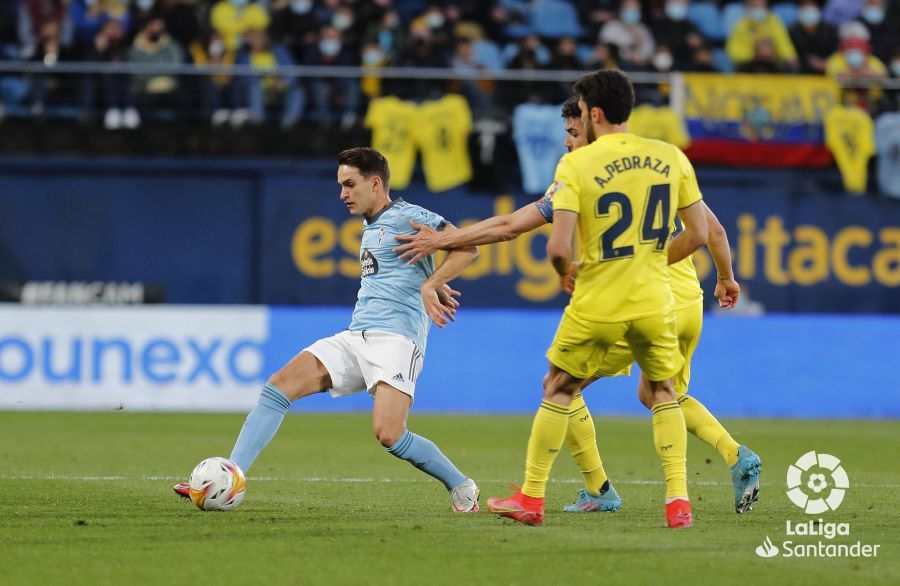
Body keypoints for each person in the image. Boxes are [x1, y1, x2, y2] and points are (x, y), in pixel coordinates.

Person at [395, 96, 762, 517]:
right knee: (663, 392)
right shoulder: (655, 163)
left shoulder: (579, 174)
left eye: (572, 133)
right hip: (685, 301)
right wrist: (726, 277)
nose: (568, 144)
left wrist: (442, 239)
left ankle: (595, 488)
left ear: (594, 123)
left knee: (562, 387)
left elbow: (508, 226)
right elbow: (709, 227)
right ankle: (732, 457)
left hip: (633, 297)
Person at [174, 147, 481, 513]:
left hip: (396, 339)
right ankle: (231, 475)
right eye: (340, 186)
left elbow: (469, 247)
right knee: (279, 386)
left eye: (350, 185)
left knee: (389, 434)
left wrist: (433, 283)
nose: (343, 194)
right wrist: (430, 277)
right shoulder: (371, 226)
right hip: (356, 335)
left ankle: (462, 485)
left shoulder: (408, 216)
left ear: (375, 182)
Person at [486, 69, 710, 529]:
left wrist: (565, 272)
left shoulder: (576, 166)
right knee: (664, 391)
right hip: (655, 301)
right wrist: (648, 264)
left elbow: (557, 248)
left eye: (582, 112)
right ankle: (678, 503)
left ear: (596, 113)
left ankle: (530, 497)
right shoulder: (671, 158)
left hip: (600, 301)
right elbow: (700, 234)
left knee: (559, 387)